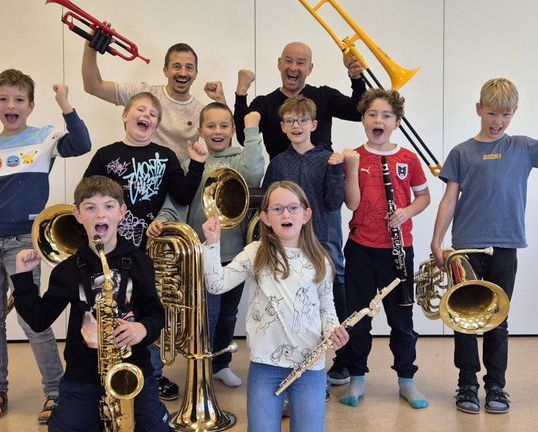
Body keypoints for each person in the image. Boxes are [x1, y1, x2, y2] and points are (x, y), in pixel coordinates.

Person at [430, 78, 538, 415]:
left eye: (505, 114)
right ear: (478, 109)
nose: (497, 121)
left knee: (497, 319)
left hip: (505, 247)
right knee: (464, 321)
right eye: (491, 113)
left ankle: (496, 386)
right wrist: (437, 240)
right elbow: (448, 200)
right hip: (467, 248)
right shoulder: (461, 151)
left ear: (514, 113)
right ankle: (467, 384)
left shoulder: (523, 147)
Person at [0, 69, 91, 422]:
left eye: (18, 99)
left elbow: (81, 144)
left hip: (22, 242)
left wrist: (65, 104)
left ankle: (55, 390)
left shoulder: (44, 137)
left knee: (34, 320)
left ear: (30, 105)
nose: (10, 105)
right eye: (3, 99)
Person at [11, 175, 170, 431]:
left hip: (133, 369)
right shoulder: (67, 270)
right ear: (77, 214)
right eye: (90, 207)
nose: (100, 215)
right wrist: (23, 277)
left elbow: (155, 313)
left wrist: (142, 329)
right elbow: (38, 320)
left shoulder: (139, 261)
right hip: (82, 376)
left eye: (108, 206)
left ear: (121, 212)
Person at [82, 91, 209, 399]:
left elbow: (180, 196)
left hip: (148, 249)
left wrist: (196, 164)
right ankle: (112, 370)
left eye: (154, 114)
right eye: (141, 110)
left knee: (151, 309)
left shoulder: (165, 156)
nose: (148, 116)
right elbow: (86, 194)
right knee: (114, 308)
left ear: (156, 124)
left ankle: (151, 374)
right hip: (111, 249)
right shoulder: (105, 154)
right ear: (125, 116)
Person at [201, 180, 349, 432]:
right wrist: (213, 243)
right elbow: (216, 285)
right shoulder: (255, 252)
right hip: (265, 364)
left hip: (310, 365)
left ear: (306, 214)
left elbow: (326, 306)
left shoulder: (319, 257)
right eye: (277, 209)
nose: (286, 214)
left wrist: (333, 329)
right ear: (266, 218)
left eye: (293, 208)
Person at [147, 103, 265, 387]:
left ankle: (220, 364)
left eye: (224, 126)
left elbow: (253, 174)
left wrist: (251, 131)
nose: (217, 131)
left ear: (232, 130)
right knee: (206, 314)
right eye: (210, 126)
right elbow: (177, 200)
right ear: (200, 130)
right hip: (201, 254)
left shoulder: (239, 159)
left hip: (235, 255)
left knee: (228, 314)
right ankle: (201, 364)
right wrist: (163, 219)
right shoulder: (192, 162)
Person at [335, 88, 430, 410]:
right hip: (361, 247)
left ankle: (407, 380)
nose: (379, 120)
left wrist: (406, 212)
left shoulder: (408, 159)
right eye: (372, 114)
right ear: (363, 119)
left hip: (398, 249)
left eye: (386, 115)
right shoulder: (355, 157)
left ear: (397, 122)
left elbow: (423, 197)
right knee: (358, 316)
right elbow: (352, 203)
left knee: (401, 320)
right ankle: (357, 377)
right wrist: (351, 168)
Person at [260, 96, 346, 393]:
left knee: (315, 314)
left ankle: (316, 376)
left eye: (302, 120)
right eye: (290, 121)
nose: (296, 125)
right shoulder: (278, 163)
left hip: (318, 245)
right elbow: (269, 205)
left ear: (314, 124)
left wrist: (336, 171)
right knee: (288, 312)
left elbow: (335, 203)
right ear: (282, 127)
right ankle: (286, 371)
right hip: (284, 250)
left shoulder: (327, 159)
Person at [83, 40, 225, 165]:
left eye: (189, 67)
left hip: (180, 186)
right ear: (165, 71)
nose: (183, 73)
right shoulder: (143, 94)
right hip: (140, 179)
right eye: (176, 66)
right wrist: (91, 46)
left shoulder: (201, 112)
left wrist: (220, 101)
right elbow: (93, 87)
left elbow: (223, 146)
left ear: (195, 73)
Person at [234, 41, 366, 161]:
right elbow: (244, 138)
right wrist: (241, 93)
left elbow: (358, 113)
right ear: (279, 63)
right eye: (288, 61)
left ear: (310, 68)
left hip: (322, 176)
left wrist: (355, 76)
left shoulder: (325, 95)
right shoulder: (263, 103)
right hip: (282, 179)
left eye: (300, 63)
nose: (293, 67)